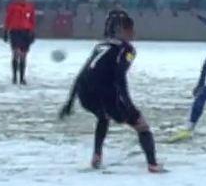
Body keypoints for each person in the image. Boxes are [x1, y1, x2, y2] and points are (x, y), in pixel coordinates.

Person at [59, 17, 163, 172]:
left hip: (84, 92)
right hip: (106, 92)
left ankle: (96, 156)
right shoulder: (127, 50)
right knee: (142, 126)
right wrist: (127, 103)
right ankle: (153, 165)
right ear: (128, 31)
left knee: (103, 116)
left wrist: (70, 102)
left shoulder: (101, 45)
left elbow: (82, 72)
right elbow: (119, 75)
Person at [3, 0, 36, 85]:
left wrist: (32, 32)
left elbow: (32, 20)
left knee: (24, 56)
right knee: (16, 53)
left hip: (26, 32)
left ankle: (22, 78)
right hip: (15, 31)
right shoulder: (13, 6)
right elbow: (8, 19)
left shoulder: (30, 7)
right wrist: (5, 31)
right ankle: (14, 77)